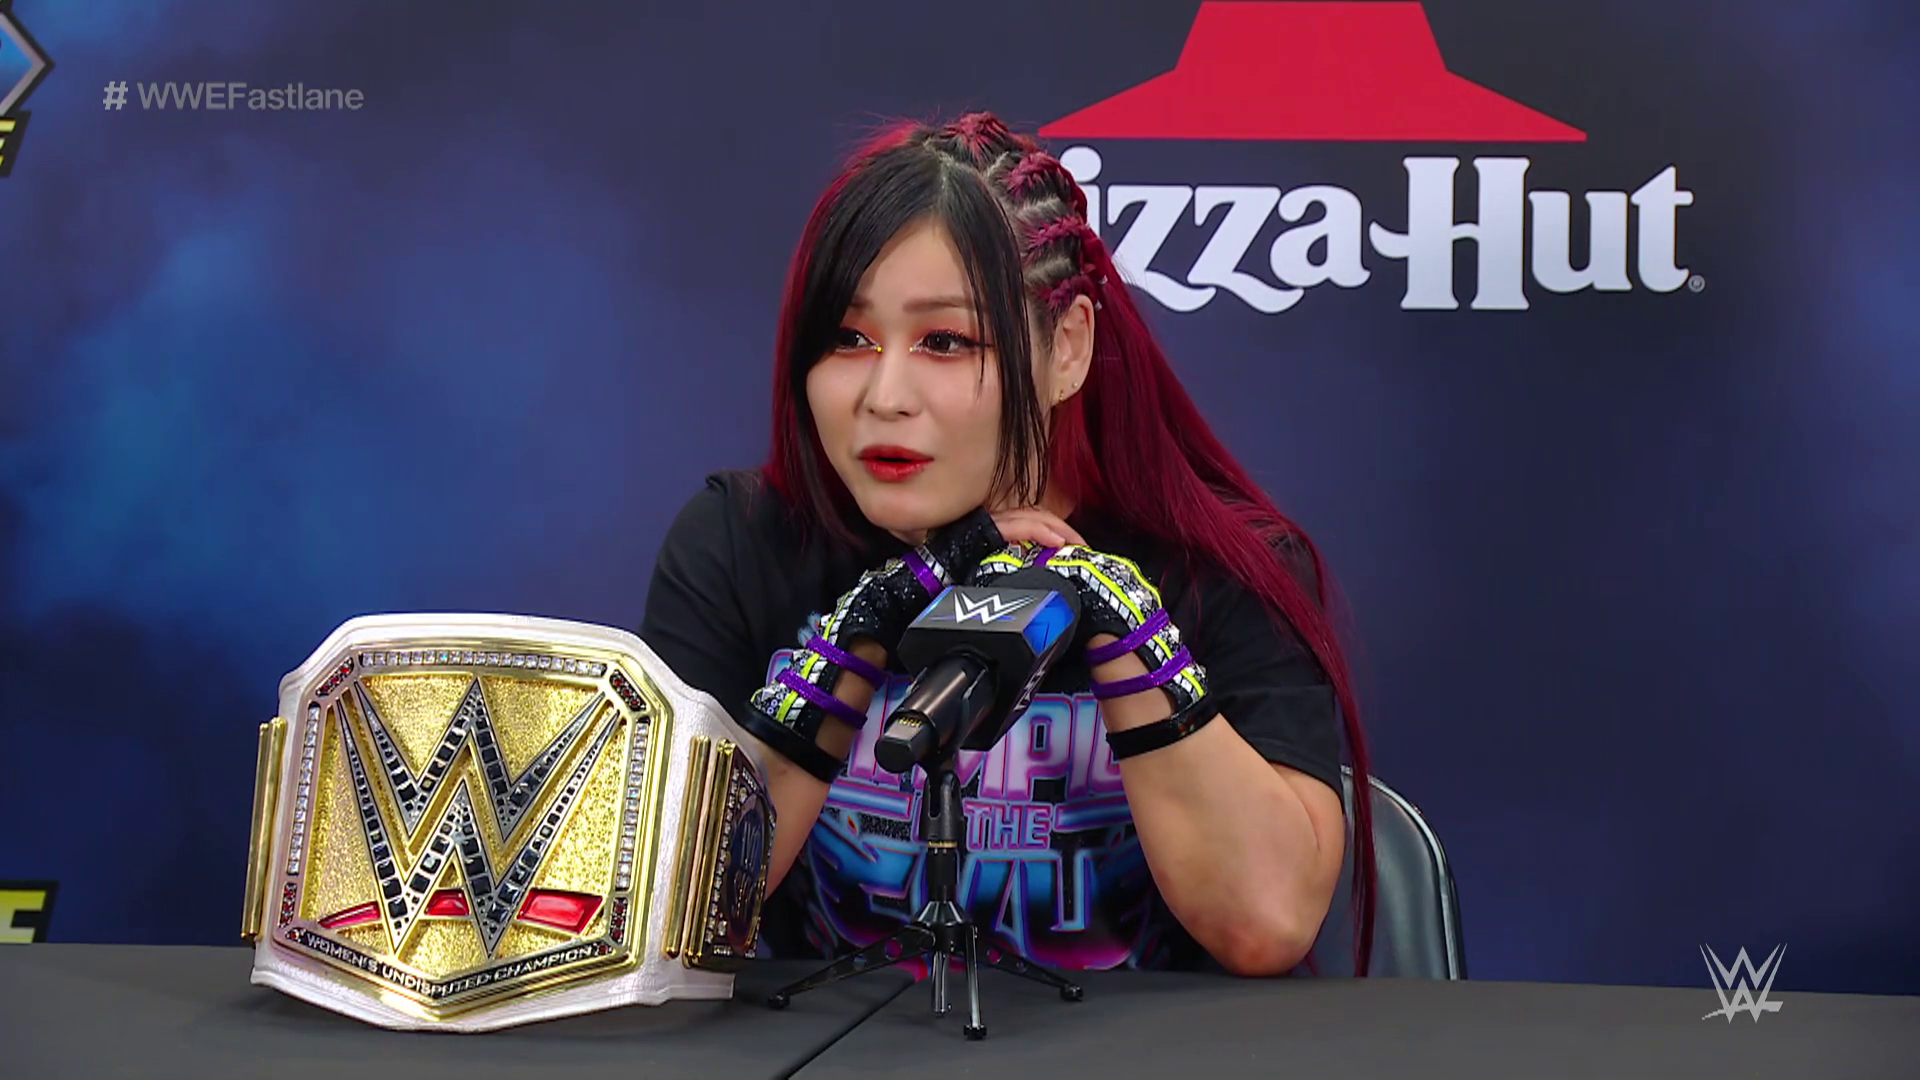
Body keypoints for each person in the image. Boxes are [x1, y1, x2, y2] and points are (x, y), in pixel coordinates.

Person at [641, 111, 1376, 977]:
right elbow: (658, 912)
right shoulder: (739, 542)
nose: (884, 395)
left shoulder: (1219, 568)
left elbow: (1269, 923)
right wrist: (864, 628)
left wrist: (1118, 619)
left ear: (1067, 348)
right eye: (849, 338)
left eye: (945, 342)